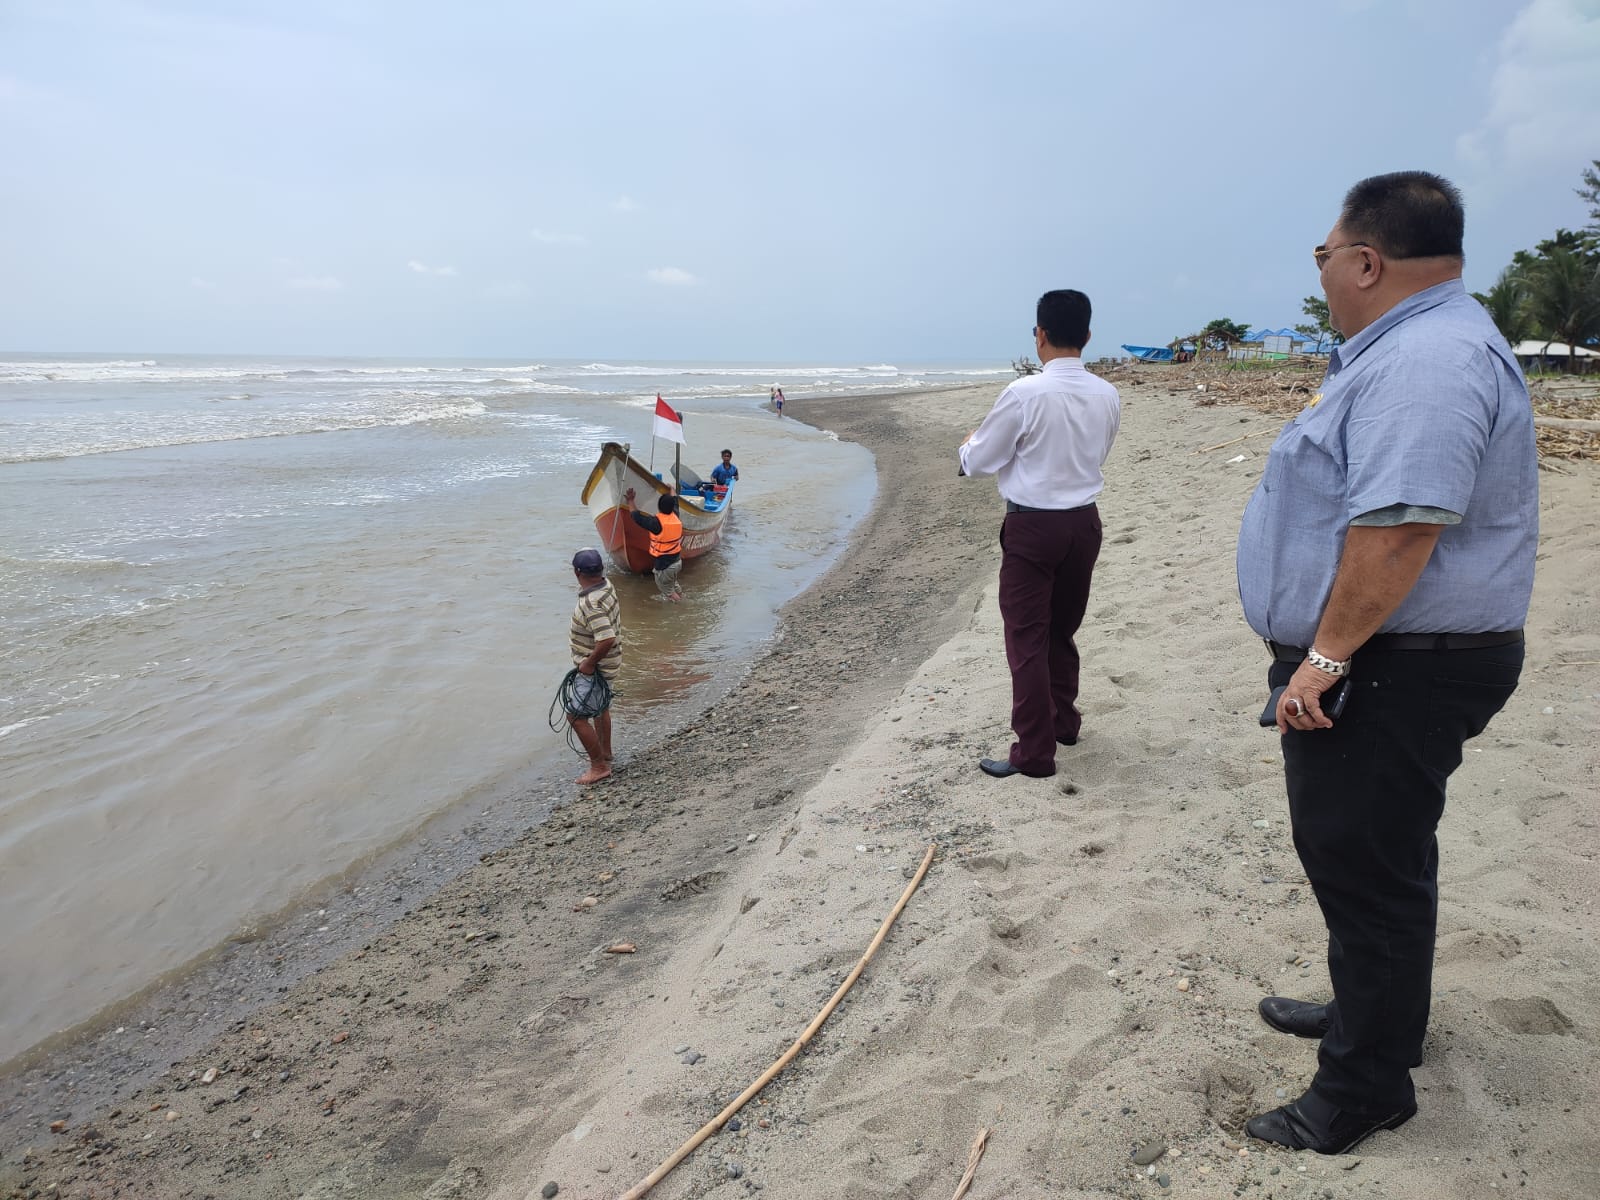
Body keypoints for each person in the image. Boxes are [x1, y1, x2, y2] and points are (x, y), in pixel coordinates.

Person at [1236, 171, 1537, 1154]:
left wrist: (1321, 660)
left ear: (1365, 262)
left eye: (1322, 253)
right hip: (1401, 656)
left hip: (1395, 664)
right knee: (1380, 855)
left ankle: (1362, 1088)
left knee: (1361, 862)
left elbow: (1400, 531)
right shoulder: (1423, 346)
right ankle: (1374, 1019)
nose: (1320, 270)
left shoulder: (1427, 359)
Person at [959, 289, 1121, 779]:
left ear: (1040, 335)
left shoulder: (1024, 393)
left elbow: (980, 461)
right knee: (1060, 629)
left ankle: (1034, 752)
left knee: (1027, 638)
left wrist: (967, 447)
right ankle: (1063, 722)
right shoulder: (1107, 393)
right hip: (1083, 521)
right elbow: (1097, 454)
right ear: (1088, 336)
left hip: (1033, 523)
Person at [567, 547, 622, 785]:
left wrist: (588, 664)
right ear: (600, 570)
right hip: (610, 664)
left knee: (576, 716)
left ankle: (598, 766)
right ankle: (606, 753)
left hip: (596, 669)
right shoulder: (606, 586)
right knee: (600, 708)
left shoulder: (591, 603)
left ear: (577, 572)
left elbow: (606, 638)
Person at [622, 486, 684, 601]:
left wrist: (630, 500)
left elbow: (636, 516)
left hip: (665, 567)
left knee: (668, 592)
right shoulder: (675, 515)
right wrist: (672, 490)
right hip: (676, 562)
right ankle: (681, 597)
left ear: (659, 507)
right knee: (672, 584)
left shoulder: (656, 524)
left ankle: (680, 607)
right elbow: (675, 500)